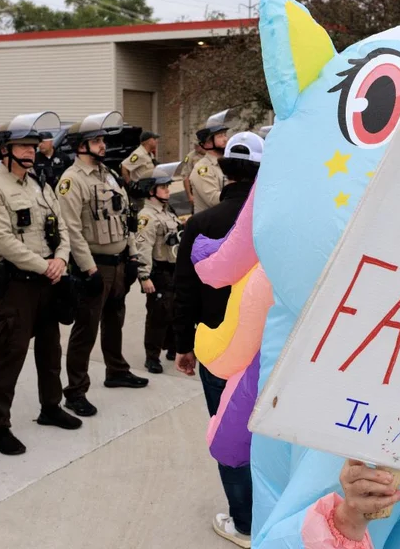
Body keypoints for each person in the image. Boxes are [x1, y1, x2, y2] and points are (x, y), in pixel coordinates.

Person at [173, 131, 264, 547]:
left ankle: (243, 522)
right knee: (268, 435)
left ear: (224, 169)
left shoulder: (201, 224)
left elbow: (185, 291)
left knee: (227, 430)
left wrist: (183, 345)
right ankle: (269, 517)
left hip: (218, 351)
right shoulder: (273, 219)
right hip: (270, 348)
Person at [0, 112, 82, 454]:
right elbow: (2, 241)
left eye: (33, 146)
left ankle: (50, 407)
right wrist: (45, 266)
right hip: (15, 286)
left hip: (46, 283)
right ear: (4, 150)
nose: (30, 151)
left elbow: (61, 227)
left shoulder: (40, 184)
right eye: (22, 145)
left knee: (50, 349)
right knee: (9, 354)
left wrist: (62, 259)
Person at [57, 111, 149, 418]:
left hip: (119, 262)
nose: (102, 146)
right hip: (95, 265)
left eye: (101, 140)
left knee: (115, 319)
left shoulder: (107, 175)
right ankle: (75, 391)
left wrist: (133, 256)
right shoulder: (71, 181)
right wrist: (88, 269)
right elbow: (70, 229)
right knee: (86, 328)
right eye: (96, 141)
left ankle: (116, 370)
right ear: (80, 146)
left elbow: (126, 220)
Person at [133, 174, 181, 374]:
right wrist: (144, 276)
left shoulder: (166, 212)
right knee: (158, 315)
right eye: (163, 187)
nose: (168, 190)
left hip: (173, 268)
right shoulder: (147, 217)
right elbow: (143, 247)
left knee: (174, 309)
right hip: (158, 270)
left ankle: (172, 347)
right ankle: (152, 356)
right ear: (152, 192)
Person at [189, 112, 231, 214]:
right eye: (220, 136)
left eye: (225, 135)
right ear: (208, 143)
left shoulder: (227, 163)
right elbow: (214, 200)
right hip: (208, 227)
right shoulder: (202, 168)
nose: (225, 139)